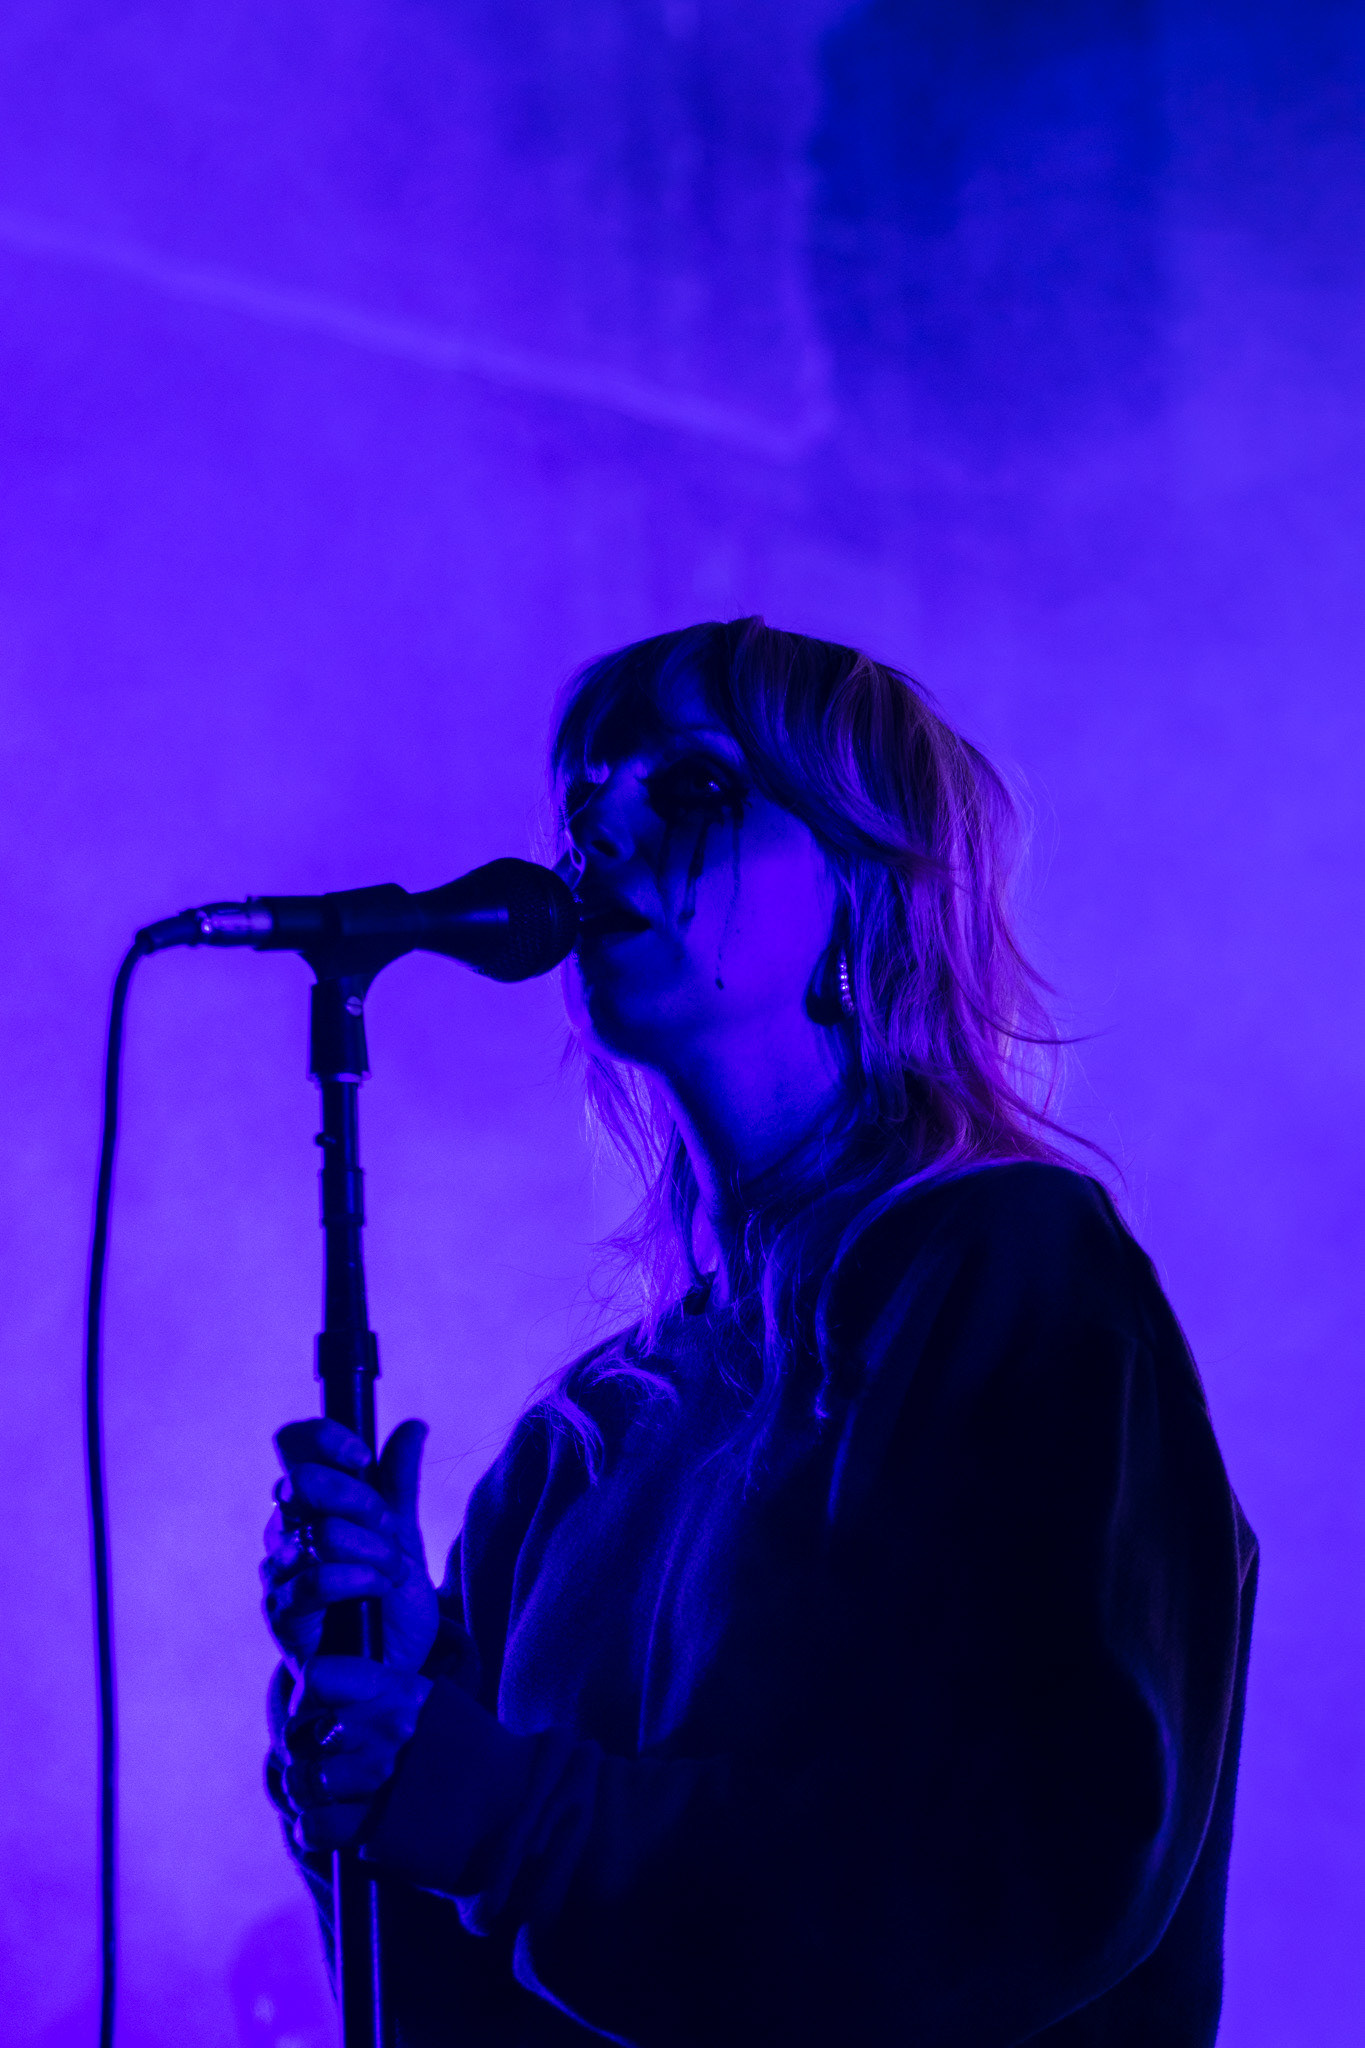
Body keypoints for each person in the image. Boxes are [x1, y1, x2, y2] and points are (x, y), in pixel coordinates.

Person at [261, 619, 1257, 2046]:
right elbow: (458, 2020)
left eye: (694, 786)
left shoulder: (1007, 1273)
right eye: (586, 790)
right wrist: (386, 1717)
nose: (594, 827)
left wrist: (503, 1812)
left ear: (864, 892)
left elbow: (1020, 1869)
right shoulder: (580, 1444)